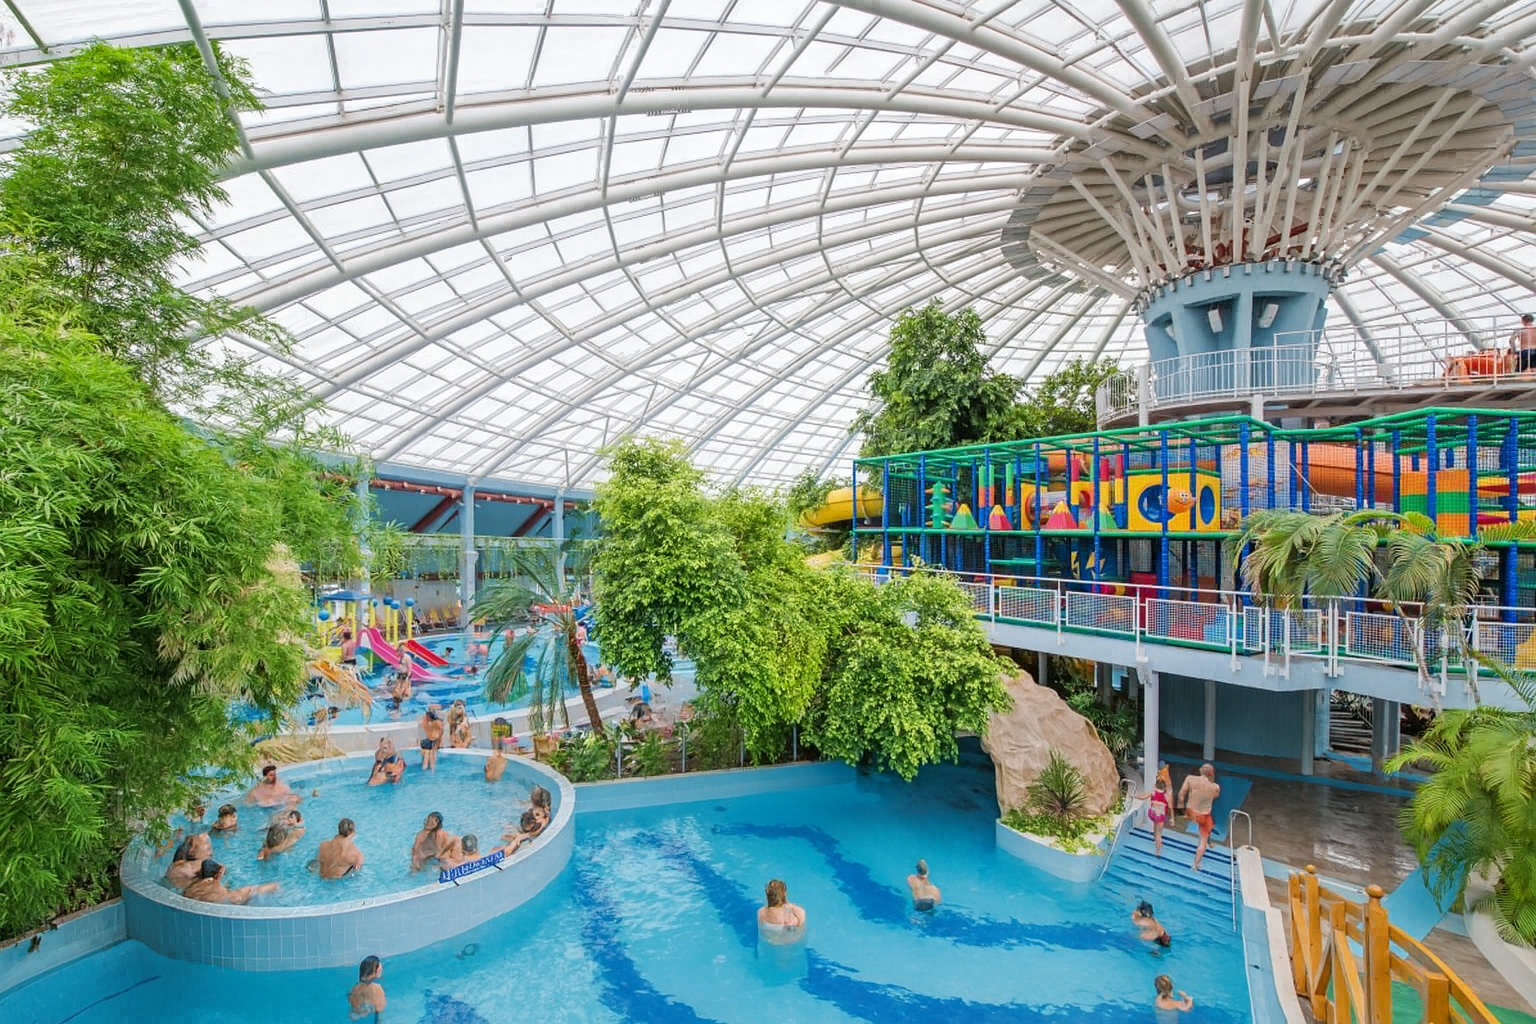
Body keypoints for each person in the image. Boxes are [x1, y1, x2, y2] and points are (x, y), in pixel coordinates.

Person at [1177, 763, 1222, 872]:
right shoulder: (1215, 787)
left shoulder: (1190, 779)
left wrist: (1180, 809)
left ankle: (1209, 838)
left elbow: (1181, 794)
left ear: (1200, 771)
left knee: (1207, 824)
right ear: (1211, 774)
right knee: (1203, 840)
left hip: (1191, 812)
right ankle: (1195, 865)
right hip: (1204, 816)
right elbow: (1216, 796)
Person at [183, 860, 279, 905]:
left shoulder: (194, 885)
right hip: (223, 904)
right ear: (218, 875)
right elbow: (237, 897)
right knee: (267, 888)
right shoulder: (219, 890)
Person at [1137, 777, 1174, 857]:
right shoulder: (1166, 796)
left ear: (1155, 785)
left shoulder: (1153, 793)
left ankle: (1156, 840)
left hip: (1152, 814)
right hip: (1160, 816)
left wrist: (1134, 796)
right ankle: (1158, 851)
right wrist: (1172, 818)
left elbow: (1143, 797)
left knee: (1154, 826)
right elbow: (1170, 808)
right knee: (1159, 833)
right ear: (1164, 788)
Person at [348, 955, 387, 1022]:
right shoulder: (377, 989)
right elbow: (380, 1008)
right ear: (376, 972)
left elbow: (352, 1003)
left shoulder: (355, 988)